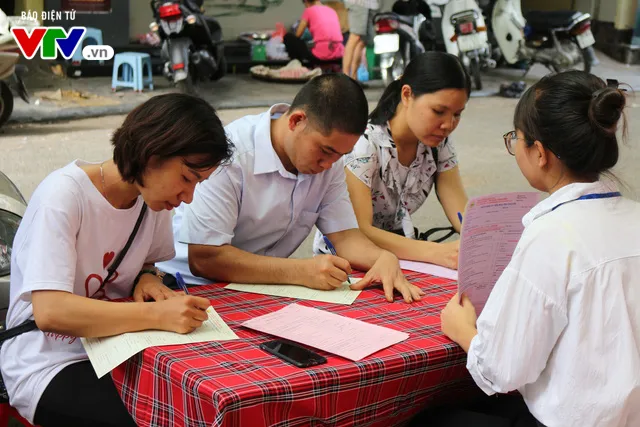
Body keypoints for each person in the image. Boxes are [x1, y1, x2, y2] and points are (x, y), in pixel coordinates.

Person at [0, 93, 234, 427]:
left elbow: (148, 263)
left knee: (200, 399)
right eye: (187, 178)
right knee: (159, 419)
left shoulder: (152, 201)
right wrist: (155, 314)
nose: (188, 198)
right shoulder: (64, 196)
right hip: (47, 363)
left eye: (198, 184)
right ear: (152, 154)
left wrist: (149, 280)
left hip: (114, 349)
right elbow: (51, 312)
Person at [439, 71, 640, 426]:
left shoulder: (551, 236)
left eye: (516, 138)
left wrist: (461, 330)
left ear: (541, 153)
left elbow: (503, 370)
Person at [158, 74, 424, 303]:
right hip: (188, 286)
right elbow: (205, 258)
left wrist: (382, 258)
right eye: (325, 151)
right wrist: (299, 272)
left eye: (340, 155)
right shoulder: (231, 155)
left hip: (264, 288)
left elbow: (345, 237)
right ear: (296, 121)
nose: (329, 164)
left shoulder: (330, 163)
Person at [314, 52, 470, 270]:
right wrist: (436, 252)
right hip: (348, 263)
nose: (448, 124)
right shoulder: (365, 145)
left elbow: (461, 212)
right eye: (438, 111)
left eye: (457, 114)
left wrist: (478, 239)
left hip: (405, 258)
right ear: (407, 95)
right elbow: (358, 231)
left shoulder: (438, 143)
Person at [283, 0, 345, 64]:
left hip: (321, 56)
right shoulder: (332, 11)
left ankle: (296, 65)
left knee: (288, 37)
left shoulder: (309, 10)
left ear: (306, 1)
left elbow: (298, 35)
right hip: (339, 54)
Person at [342, 0, 380, 79]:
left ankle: (354, 78)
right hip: (358, 3)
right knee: (355, 37)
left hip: (371, 4)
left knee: (363, 41)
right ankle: (345, 77)